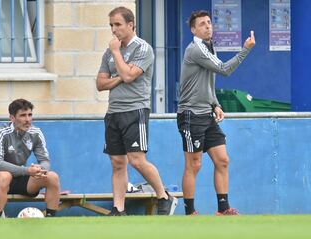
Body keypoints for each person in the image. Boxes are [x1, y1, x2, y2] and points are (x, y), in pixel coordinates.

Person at [96, 6, 178, 216]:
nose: (114, 30)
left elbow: (130, 76)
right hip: (113, 112)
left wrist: (117, 54)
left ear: (131, 24)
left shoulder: (143, 48)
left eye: (118, 25)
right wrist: (120, 76)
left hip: (135, 110)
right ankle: (118, 208)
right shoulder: (108, 52)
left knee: (136, 160)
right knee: (117, 162)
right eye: (111, 25)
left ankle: (164, 196)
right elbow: (100, 84)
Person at [177, 10, 255, 216]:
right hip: (190, 114)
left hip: (206, 114)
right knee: (194, 164)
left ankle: (223, 209)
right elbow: (224, 70)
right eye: (202, 24)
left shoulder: (208, 47)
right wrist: (245, 50)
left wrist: (215, 104)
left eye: (209, 22)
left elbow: (207, 82)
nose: (208, 26)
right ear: (193, 29)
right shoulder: (195, 49)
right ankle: (190, 212)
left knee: (222, 160)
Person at [0, 99, 60, 217]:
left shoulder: (36, 133)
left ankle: (51, 219)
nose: (27, 120)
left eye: (30, 115)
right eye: (23, 115)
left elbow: (45, 160)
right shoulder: (0, 132)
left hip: (20, 177)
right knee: (4, 176)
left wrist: (41, 170)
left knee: (52, 177)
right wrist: (26, 170)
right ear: (12, 118)